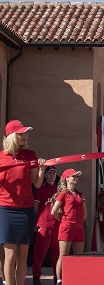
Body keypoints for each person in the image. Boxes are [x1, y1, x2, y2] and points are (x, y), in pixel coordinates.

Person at [0, 120, 46, 285]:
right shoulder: (1, 157)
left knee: (22, 256)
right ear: (12, 135)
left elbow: (37, 184)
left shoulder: (30, 155)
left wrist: (42, 169)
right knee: (10, 255)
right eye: (21, 133)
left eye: (26, 133)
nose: (25, 136)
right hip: (6, 209)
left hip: (26, 210)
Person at [51, 168, 87, 285]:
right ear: (66, 178)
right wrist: (63, 221)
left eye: (77, 176)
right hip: (67, 227)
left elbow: (85, 214)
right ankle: (59, 280)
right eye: (73, 176)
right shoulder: (63, 194)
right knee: (63, 256)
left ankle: (77, 279)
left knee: (79, 256)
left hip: (79, 227)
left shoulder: (79, 194)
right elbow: (54, 211)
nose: (76, 178)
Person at [32, 166, 60, 285]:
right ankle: (36, 277)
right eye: (49, 173)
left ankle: (58, 278)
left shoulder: (58, 190)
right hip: (44, 225)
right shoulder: (40, 189)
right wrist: (39, 220)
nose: (52, 175)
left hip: (57, 226)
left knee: (56, 255)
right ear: (45, 175)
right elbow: (36, 207)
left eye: (54, 173)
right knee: (39, 254)